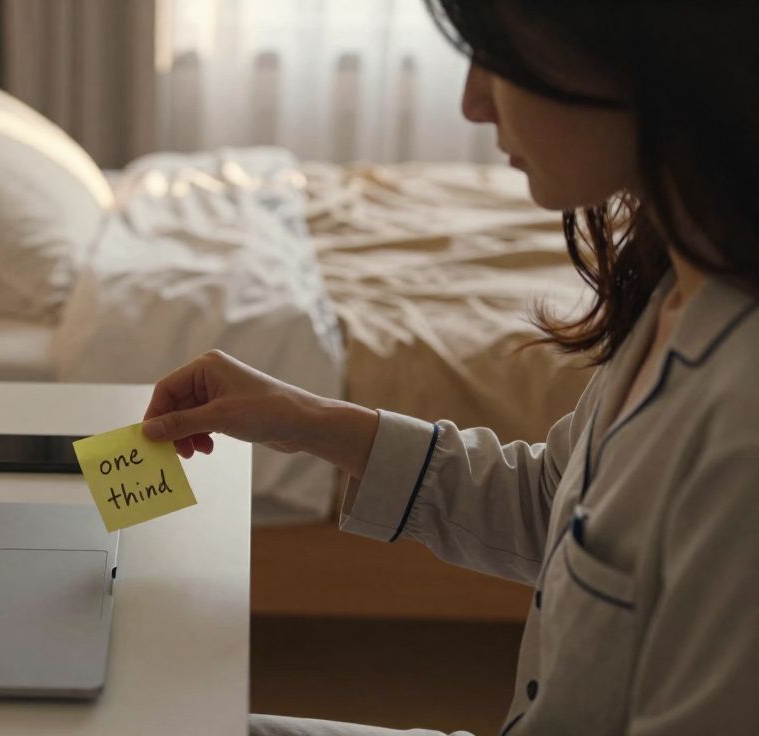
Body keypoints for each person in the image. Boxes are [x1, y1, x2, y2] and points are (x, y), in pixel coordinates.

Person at [140, 2, 759, 734]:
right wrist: (302, 418)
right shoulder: (675, 290)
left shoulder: (740, 431)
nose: (471, 103)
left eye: (495, 57)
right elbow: (555, 506)